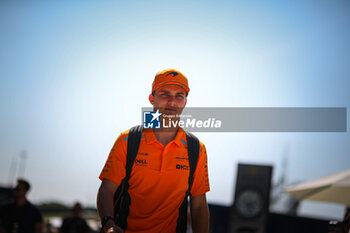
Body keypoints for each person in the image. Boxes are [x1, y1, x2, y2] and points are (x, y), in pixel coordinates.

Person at [97, 69, 210, 233]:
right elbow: (106, 189)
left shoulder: (197, 149)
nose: (172, 102)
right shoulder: (128, 140)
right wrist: (108, 224)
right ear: (152, 99)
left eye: (179, 95)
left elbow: (199, 207)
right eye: (165, 94)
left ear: (185, 102)